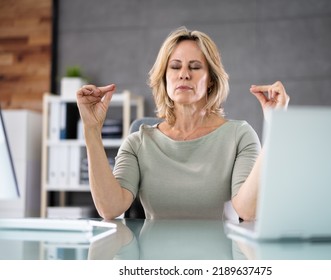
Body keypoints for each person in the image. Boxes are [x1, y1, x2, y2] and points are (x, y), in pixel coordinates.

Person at [76, 26, 290, 221]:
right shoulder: (139, 142)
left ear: (211, 80)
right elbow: (110, 208)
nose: (184, 75)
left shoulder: (239, 136)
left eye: (195, 67)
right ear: (164, 78)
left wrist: (276, 127)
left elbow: (248, 211)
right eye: (175, 67)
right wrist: (92, 129)